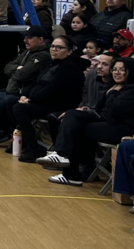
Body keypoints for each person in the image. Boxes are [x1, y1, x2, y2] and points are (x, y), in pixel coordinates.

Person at [38, 58, 134, 186]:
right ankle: (63, 158)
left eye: (122, 70)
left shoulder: (130, 89)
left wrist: (112, 94)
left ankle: (70, 169)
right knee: (72, 114)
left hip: (123, 129)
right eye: (115, 69)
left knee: (80, 128)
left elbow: (114, 111)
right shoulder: (117, 86)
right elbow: (101, 109)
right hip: (109, 121)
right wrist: (87, 110)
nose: (117, 72)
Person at [10, 36, 87, 162]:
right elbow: (36, 82)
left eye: (59, 47)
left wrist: (30, 100)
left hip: (60, 105)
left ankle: (34, 148)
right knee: (13, 102)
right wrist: (25, 95)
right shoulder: (51, 63)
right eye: (52, 46)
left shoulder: (69, 67)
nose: (54, 49)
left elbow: (53, 90)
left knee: (19, 109)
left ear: (69, 51)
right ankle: (22, 143)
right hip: (45, 101)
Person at [0, 26, 50, 145]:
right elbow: (7, 67)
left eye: (29, 37)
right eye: (25, 37)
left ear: (40, 39)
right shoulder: (27, 52)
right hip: (10, 91)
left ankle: (6, 131)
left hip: (21, 94)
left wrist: (17, 71)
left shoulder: (43, 56)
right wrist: (18, 69)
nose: (25, 40)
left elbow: (22, 75)